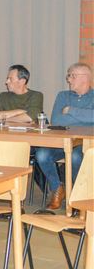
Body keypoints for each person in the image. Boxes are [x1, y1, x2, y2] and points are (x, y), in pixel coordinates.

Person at [35, 63, 94, 209]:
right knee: (41, 154)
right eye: (69, 75)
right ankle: (57, 188)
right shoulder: (62, 95)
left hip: (86, 143)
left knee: (75, 156)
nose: (68, 79)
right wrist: (84, 118)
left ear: (85, 78)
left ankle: (78, 194)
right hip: (63, 142)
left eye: (72, 75)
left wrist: (70, 110)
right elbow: (57, 120)